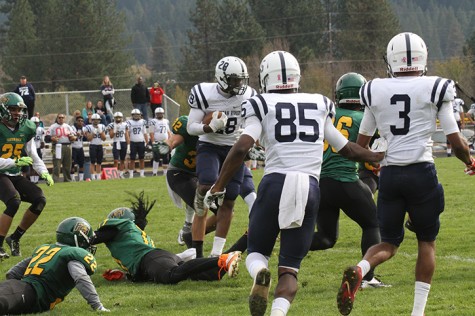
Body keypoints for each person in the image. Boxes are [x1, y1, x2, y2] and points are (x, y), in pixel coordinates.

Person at [204, 51, 385, 316]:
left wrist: (218, 184)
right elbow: (346, 149)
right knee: (290, 269)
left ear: (266, 77)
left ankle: (260, 273)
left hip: (276, 181)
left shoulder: (261, 102)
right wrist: (377, 156)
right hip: (310, 187)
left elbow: (242, 146)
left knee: (256, 252)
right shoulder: (318, 103)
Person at [336, 32, 475, 316]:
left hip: (390, 176)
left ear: (391, 60)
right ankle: (417, 312)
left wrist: (373, 160)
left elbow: (361, 144)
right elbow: (454, 139)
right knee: (427, 243)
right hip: (421, 171)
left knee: (388, 242)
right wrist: (470, 160)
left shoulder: (375, 90)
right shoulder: (435, 87)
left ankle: (361, 269)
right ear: (423, 59)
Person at [309, 72, 387, 289]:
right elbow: (372, 148)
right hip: (345, 180)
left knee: (326, 239)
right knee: (374, 224)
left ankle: (290, 244)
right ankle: (368, 278)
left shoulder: (325, 115)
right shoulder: (364, 118)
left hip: (320, 183)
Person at [187, 56, 257, 258]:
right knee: (205, 186)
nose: (239, 84)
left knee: (229, 201)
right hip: (209, 144)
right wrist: (208, 127)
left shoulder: (248, 95)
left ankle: (215, 255)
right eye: (235, 80)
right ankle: (197, 242)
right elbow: (190, 127)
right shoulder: (204, 92)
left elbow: (254, 122)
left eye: (241, 79)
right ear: (222, 78)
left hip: (234, 149)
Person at [91, 192, 242, 285]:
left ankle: (223, 259)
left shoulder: (117, 227)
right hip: (158, 259)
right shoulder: (129, 233)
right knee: (212, 275)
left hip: (152, 259)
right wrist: (126, 276)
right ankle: (246, 239)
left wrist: (77, 239)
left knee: (172, 276)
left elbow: (93, 238)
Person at [1, 217, 109, 313]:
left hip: (22, 289)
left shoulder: (45, 250)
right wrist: (97, 305)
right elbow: (81, 277)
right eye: (88, 239)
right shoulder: (72, 256)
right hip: (32, 293)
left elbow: (12, 273)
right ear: (79, 240)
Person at [0, 92, 54, 259]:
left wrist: (44, 172)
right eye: (13, 109)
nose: (17, 113)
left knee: (39, 199)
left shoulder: (27, 127)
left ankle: (15, 238)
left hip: (14, 174)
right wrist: (14, 162)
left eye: (19, 109)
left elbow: (32, 154)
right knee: (14, 201)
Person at [45, 113, 76, 182]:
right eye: (59, 118)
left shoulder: (67, 126)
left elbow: (74, 135)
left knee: (68, 164)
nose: (61, 119)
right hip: (57, 146)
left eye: (62, 118)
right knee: (57, 164)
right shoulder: (53, 127)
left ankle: (67, 179)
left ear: (64, 119)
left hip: (68, 146)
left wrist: (73, 137)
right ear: (57, 118)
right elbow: (46, 138)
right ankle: (55, 180)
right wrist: (52, 138)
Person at [149, 107, 171, 176]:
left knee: (166, 158)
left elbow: (168, 131)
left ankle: (165, 172)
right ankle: (154, 172)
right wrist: (153, 142)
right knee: (156, 157)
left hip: (165, 141)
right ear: (155, 114)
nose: (159, 115)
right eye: (158, 114)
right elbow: (151, 132)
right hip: (157, 141)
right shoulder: (152, 121)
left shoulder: (166, 121)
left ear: (163, 114)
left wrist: (170, 140)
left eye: (160, 114)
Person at [84, 113, 107, 181]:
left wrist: (100, 132)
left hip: (100, 145)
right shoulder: (88, 127)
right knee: (93, 162)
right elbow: (89, 139)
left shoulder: (102, 126)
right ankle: (93, 176)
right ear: (92, 120)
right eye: (94, 120)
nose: (96, 121)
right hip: (93, 145)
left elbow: (104, 138)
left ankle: (98, 176)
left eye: (97, 120)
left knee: (99, 162)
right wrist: (93, 132)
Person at [107, 112, 129, 179]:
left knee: (122, 159)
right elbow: (111, 136)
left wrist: (129, 145)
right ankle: (115, 174)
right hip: (116, 142)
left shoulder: (125, 125)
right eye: (117, 117)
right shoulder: (111, 125)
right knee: (116, 160)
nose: (118, 119)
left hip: (123, 142)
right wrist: (115, 130)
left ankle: (121, 174)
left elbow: (127, 135)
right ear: (114, 118)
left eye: (119, 117)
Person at [127, 108, 148, 178]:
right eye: (134, 115)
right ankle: (131, 174)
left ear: (140, 115)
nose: (136, 116)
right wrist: (128, 144)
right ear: (132, 115)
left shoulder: (143, 122)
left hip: (141, 142)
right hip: (133, 142)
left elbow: (145, 133)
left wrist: (147, 142)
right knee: (132, 159)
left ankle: (142, 173)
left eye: (137, 115)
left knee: (141, 159)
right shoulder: (129, 122)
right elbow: (128, 133)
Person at [29, 116, 45, 184]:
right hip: (30, 150)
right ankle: (32, 180)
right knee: (31, 165)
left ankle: (36, 180)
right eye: (34, 123)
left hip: (37, 148)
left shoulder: (40, 129)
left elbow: (42, 138)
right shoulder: (28, 129)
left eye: (37, 123)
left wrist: (42, 142)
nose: (36, 124)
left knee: (38, 164)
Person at [71, 115, 86, 181]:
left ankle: (81, 179)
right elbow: (71, 137)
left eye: (82, 121)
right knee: (72, 164)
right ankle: (73, 178)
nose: (80, 122)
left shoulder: (84, 128)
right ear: (76, 121)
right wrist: (76, 135)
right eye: (79, 121)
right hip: (73, 148)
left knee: (81, 164)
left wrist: (84, 135)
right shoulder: (72, 128)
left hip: (80, 148)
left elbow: (86, 138)